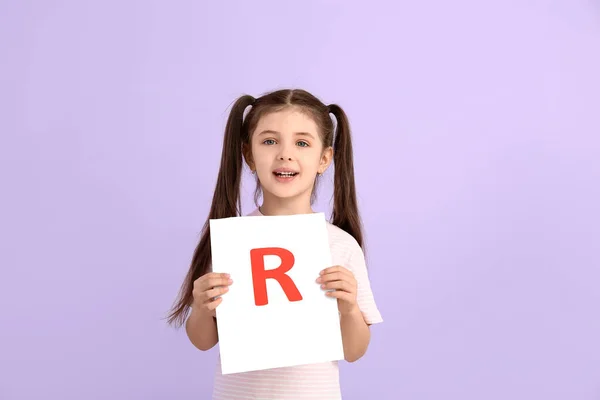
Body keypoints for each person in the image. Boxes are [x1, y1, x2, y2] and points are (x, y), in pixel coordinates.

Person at [167, 88, 383, 399]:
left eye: (302, 143)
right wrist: (201, 308)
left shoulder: (339, 244)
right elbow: (202, 340)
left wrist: (349, 309)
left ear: (324, 159)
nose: (285, 153)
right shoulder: (231, 242)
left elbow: (354, 351)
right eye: (269, 141)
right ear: (248, 155)